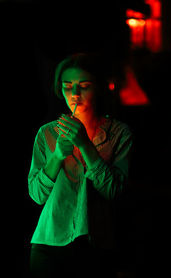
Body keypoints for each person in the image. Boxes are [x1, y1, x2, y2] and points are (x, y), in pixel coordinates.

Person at [28, 53, 133, 278]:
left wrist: (85, 145)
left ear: (98, 87)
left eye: (84, 86)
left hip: (96, 245)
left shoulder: (118, 133)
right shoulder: (47, 133)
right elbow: (36, 195)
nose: (74, 94)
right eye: (67, 87)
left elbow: (114, 191)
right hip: (49, 242)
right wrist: (56, 156)